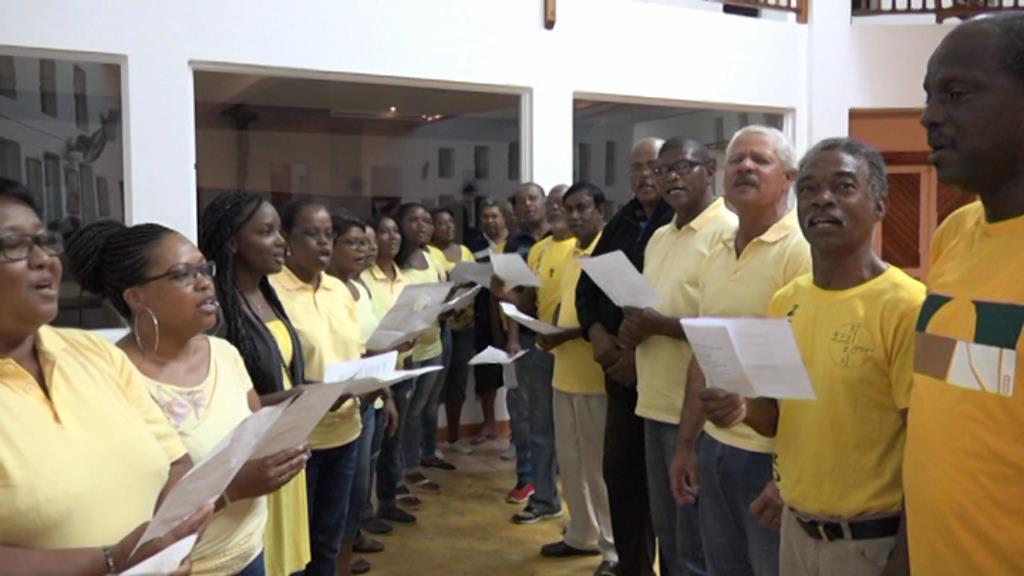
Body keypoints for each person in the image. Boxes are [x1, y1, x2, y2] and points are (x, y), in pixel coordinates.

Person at [699, 138, 922, 576]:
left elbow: (925, 449)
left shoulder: (907, 306)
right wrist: (741, 408)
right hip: (796, 532)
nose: (823, 199)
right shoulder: (787, 300)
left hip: (868, 545)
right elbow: (778, 416)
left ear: (879, 205)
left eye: (843, 186)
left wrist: (906, 558)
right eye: (809, 189)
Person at [66, 219, 311, 576]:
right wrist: (232, 489)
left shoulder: (224, 353)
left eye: (204, 269)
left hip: (248, 549)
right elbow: (129, 508)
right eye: (182, 275)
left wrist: (284, 448)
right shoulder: (113, 379)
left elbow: (255, 433)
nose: (205, 283)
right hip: (187, 567)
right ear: (135, 297)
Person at [0, 178, 212, 575]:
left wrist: (165, 548)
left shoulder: (96, 354)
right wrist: (112, 561)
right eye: (13, 245)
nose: (44, 259)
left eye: (44, 242)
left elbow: (177, 463)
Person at [901, 13, 1024, 575]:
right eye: (929, 95)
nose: (929, 116)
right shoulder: (954, 233)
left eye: (956, 93)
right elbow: (946, 409)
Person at [669, 126, 810, 576]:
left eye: (760, 160)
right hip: (716, 446)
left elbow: (813, 375)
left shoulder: (801, 251)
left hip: (770, 458)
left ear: (788, 178)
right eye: (736, 160)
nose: (745, 167)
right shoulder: (717, 254)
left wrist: (789, 475)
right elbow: (702, 355)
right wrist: (687, 444)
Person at [618, 138, 736, 576]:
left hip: (694, 412)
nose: (670, 177)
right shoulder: (660, 236)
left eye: (682, 167)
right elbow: (655, 306)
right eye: (662, 169)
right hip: (653, 401)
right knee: (669, 536)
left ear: (710, 171)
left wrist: (658, 325)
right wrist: (634, 326)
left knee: (696, 544)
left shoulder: (727, 232)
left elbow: (723, 326)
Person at [198, 190, 313, 576]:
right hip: (253, 465)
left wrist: (321, 390)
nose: (281, 242)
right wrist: (297, 397)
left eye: (280, 231)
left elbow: (283, 370)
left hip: (284, 450)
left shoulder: (266, 294)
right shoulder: (217, 311)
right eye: (266, 232)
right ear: (232, 242)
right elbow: (223, 404)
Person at [575, 137, 672, 576]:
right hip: (617, 373)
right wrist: (596, 333)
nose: (645, 175)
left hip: (664, 375)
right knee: (621, 476)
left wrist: (637, 355)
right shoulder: (621, 222)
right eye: (637, 167)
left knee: (666, 489)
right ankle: (632, 567)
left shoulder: (680, 223)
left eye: (654, 166)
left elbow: (679, 303)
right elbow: (588, 288)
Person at [269, 199, 363, 576]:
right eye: (312, 234)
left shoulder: (339, 290)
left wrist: (376, 385)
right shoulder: (271, 291)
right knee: (297, 546)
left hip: (347, 430)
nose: (324, 242)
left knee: (329, 536)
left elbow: (354, 352)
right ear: (287, 239)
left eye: (328, 234)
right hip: (300, 440)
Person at [541, 182, 618, 576]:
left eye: (582, 208)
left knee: (599, 469)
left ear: (600, 210)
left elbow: (611, 318)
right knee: (571, 464)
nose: (573, 216)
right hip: (564, 373)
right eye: (568, 208)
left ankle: (613, 549)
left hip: (594, 379)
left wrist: (568, 333)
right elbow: (567, 308)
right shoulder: (573, 252)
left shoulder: (610, 253)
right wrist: (549, 330)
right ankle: (581, 534)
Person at [493, 183, 570, 522]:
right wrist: (506, 296)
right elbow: (524, 300)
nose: (556, 208)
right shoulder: (533, 249)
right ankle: (542, 497)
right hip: (536, 343)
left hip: (579, 350)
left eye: (563, 202)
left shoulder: (589, 246)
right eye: (553, 202)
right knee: (537, 423)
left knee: (577, 431)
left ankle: (584, 517)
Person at [361, 214, 417, 525]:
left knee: (394, 438)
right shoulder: (363, 279)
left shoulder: (406, 280)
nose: (392, 237)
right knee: (372, 445)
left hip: (401, 366)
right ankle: (363, 511)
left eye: (396, 231)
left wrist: (411, 334)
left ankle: (388, 500)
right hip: (374, 370)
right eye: (383, 231)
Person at [395, 203, 454, 492]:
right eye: (414, 220)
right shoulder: (396, 262)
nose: (422, 225)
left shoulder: (433, 257)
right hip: (408, 350)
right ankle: (401, 471)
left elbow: (441, 294)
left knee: (419, 408)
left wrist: (448, 305)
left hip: (433, 343)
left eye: (427, 220)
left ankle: (414, 462)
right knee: (403, 413)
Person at [429, 207, 476, 454]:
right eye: (441, 223)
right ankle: (431, 440)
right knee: (436, 384)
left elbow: (475, 278)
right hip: (440, 326)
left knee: (458, 382)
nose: (448, 227)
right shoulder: (430, 254)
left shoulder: (465, 251)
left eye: (451, 222)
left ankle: (454, 437)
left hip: (465, 325)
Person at [466, 198, 510, 443]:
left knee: (517, 378)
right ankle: (489, 423)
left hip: (515, 314)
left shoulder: (517, 243)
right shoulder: (474, 247)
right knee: (486, 374)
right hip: (484, 316)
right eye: (485, 217)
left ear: (503, 218)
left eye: (494, 216)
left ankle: (516, 429)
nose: (490, 221)